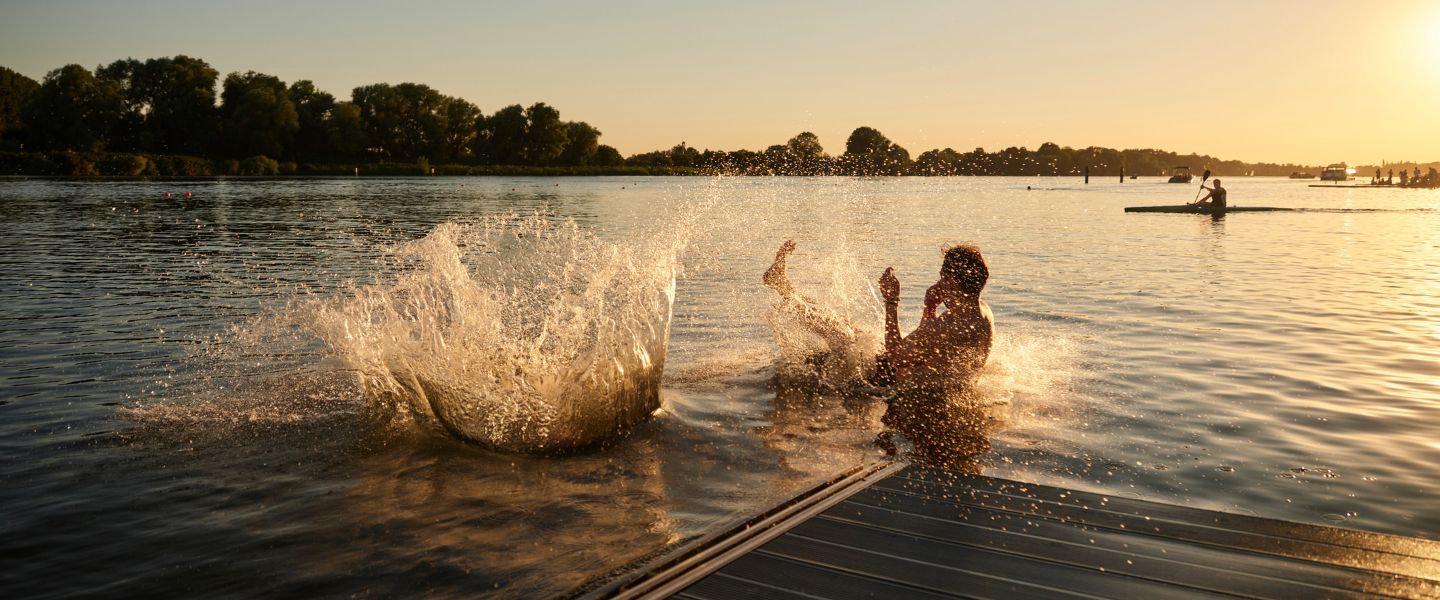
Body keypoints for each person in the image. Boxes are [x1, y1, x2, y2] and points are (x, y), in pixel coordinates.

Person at [763, 240, 994, 389]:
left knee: (837, 331)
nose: (938, 283)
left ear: (952, 281)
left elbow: (895, 357)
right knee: (847, 328)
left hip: (888, 378)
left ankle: (782, 287)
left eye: (942, 277)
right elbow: (928, 345)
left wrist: (891, 301)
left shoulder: (950, 324)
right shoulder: (981, 311)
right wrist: (930, 308)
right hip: (923, 374)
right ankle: (784, 287)